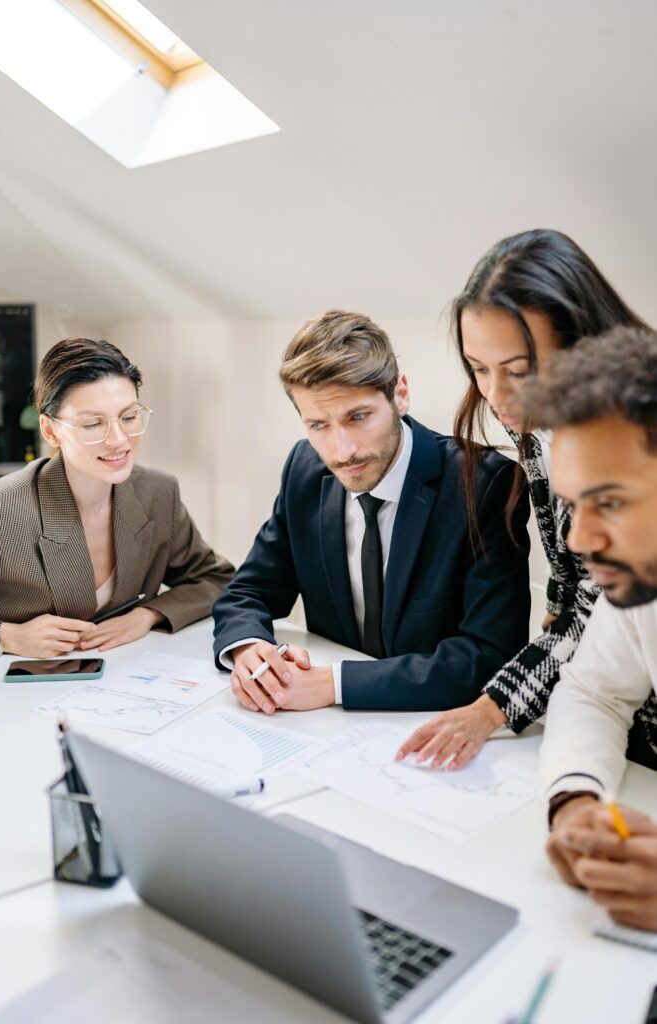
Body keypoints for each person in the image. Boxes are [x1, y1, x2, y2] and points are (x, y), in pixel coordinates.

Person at [397, 229, 657, 771]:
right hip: (607, 708)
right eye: (478, 369)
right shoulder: (535, 423)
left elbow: (597, 601)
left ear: (581, 344)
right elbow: (577, 580)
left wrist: (492, 708)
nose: (495, 395)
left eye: (518, 371)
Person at [212, 309, 531, 713]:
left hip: (431, 727)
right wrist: (249, 648)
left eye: (357, 417)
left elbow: (489, 658)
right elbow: (250, 591)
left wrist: (335, 685)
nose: (342, 452)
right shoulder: (304, 469)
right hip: (321, 732)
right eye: (318, 426)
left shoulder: (485, 485)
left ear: (400, 393)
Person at [518, 326, 657, 931]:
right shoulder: (638, 583)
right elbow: (595, 690)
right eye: (577, 504)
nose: (578, 541)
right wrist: (575, 801)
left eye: (612, 502)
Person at [0, 338, 234, 658]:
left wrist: (146, 615)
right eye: (93, 423)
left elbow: (215, 578)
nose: (119, 440)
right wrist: (7, 636)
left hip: (121, 676)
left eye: (128, 417)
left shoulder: (158, 492)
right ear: (50, 430)